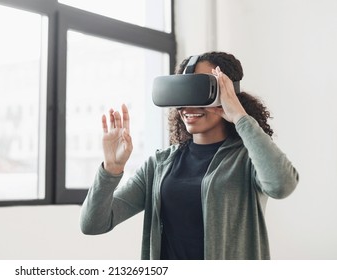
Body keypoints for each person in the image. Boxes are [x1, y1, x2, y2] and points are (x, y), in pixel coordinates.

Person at [79, 51, 299, 260]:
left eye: (200, 91)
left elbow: (282, 185)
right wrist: (111, 169)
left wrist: (239, 116)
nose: (188, 105)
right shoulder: (159, 165)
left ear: (228, 93)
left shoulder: (247, 159)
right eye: (183, 91)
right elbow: (93, 224)